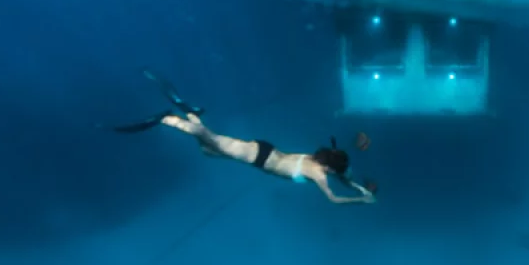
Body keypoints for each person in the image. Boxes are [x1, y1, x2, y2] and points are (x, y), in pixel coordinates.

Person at [112, 70, 377, 205]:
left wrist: (359, 187)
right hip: (256, 156)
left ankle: (191, 113)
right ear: (331, 168)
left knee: (207, 150)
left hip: (264, 152)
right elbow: (333, 199)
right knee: (211, 139)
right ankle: (168, 119)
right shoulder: (320, 174)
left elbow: (345, 176)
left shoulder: (322, 160)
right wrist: (360, 200)